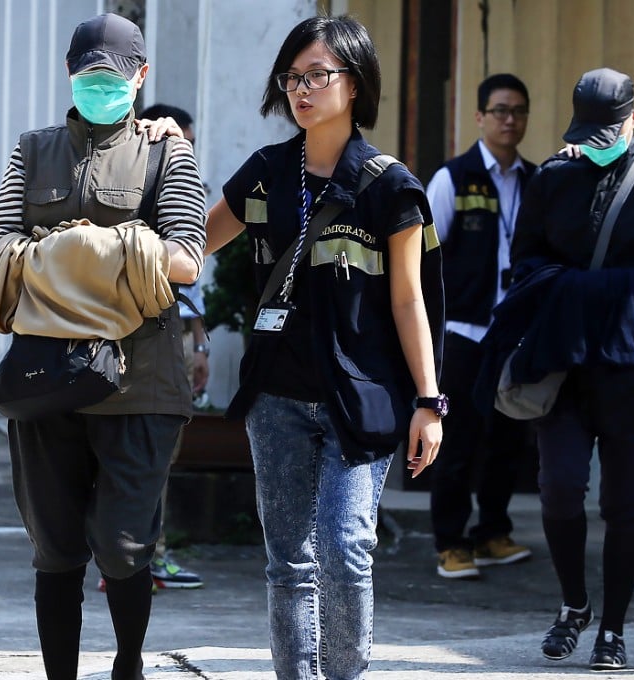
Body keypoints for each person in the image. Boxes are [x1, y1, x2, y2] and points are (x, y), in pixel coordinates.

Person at [188, 15, 444, 679]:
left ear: (353, 83)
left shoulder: (391, 186)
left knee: (343, 545)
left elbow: (408, 300)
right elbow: (190, 251)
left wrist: (429, 400)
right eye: (292, 77)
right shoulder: (267, 173)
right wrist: (158, 157)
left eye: (317, 75)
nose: (301, 89)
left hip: (362, 404)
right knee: (288, 563)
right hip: (276, 397)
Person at [0, 13, 206, 680]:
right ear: (70, 76)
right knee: (54, 548)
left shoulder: (169, 152)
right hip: (46, 379)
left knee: (124, 544)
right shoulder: (33, 149)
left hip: (142, 380)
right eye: (86, 76)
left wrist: (65, 249)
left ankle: (129, 665)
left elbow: (186, 258)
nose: (98, 86)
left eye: (111, 76)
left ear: (139, 76)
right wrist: (124, 250)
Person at [512, 68, 634, 670]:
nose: (597, 140)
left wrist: (610, 290)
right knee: (561, 490)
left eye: (608, 130)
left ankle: (613, 629)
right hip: (563, 365)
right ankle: (574, 605)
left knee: (625, 507)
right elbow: (524, 262)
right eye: (587, 131)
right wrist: (571, 290)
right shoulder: (552, 177)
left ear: (633, 121)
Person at [425, 73, 536, 579]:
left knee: (508, 440)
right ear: (479, 117)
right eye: (499, 111)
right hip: (466, 333)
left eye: (517, 111)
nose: (508, 120)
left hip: (517, 336)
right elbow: (426, 259)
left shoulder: (538, 181)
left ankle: (493, 532)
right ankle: (450, 542)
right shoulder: (454, 177)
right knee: (457, 442)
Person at [136, 103, 207, 590]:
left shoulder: (189, 189)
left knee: (163, 451)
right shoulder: (139, 183)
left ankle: (144, 554)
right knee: (146, 450)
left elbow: (196, 274)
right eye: (180, 141)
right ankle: (139, 556)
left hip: (180, 330)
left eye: (192, 144)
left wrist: (200, 341)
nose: (187, 152)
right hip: (145, 332)